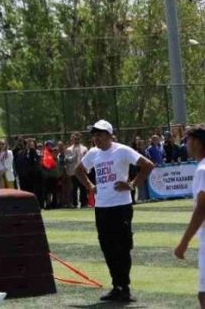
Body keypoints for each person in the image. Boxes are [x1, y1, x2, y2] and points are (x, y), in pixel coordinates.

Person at [73, 120, 154, 303]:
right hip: (102, 208)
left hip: (121, 206)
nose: (96, 138)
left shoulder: (122, 150)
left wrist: (132, 184)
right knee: (107, 247)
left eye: (100, 134)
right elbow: (78, 170)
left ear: (109, 135)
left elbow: (148, 165)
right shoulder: (93, 153)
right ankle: (116, 286)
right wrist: (90, 186)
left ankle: (124, 287)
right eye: (94, 135)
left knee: (122, 247)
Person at [174, 125, 205, 308]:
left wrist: (184, 242)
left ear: (196, 142)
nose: (186, 144)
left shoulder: (202, 169)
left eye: (188, 140)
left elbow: (202, 209)